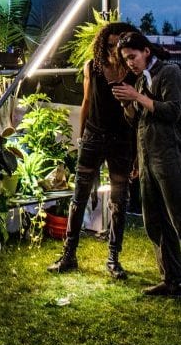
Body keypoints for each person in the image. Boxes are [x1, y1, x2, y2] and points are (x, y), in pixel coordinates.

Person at [48, 22, 137, 279]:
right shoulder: (93, 66)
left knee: (119, 201)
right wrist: (81, 137)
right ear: (102, 45)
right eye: (109, 44)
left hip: (121, 140)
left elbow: (136, 113)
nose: (114, 49)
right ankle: (69, 254)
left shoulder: (132, 72)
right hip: (93, 137)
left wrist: (136, 153)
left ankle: (113, 258)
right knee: (79, 197)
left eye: (118, 44)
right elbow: (86, 101)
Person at [113, 31, 181, 297]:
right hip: (147, 157)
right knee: (154, 221)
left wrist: (137, 96)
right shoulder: (141, 80)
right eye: (126, 59)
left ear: (146, 51)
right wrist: (127, 103)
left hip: (169, 156)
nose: (130, 63)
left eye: (132, 56)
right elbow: (139, 122)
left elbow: (173, 111)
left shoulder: (169, 73)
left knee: (177, 217)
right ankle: (171, 279)